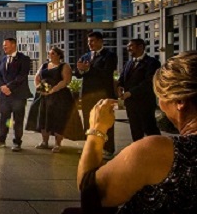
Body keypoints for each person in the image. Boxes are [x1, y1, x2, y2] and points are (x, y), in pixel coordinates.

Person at [72, 51, 197, 213]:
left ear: (179, 101)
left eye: (161, 95)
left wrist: (96, 130)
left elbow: (90, 194)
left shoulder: (157, 152)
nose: (160, 102)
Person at [31, 47, 84, 153]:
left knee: (58, 119)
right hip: (44, 95)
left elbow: (66, 80)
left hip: (60, 96)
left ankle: (57, 143)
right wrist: (39, 88)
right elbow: (37, 77)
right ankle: (44, 142)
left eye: (53, 53)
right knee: (43, 118)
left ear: (59, 55)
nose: (50, 55)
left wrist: (53, 90)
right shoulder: (44, 65)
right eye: (49, 53)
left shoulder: (64, 66)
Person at [75, 31, 118, 160]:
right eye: (89, 42)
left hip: (103, 95)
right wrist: (81, 70)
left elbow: (106, 74)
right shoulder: (86, 56)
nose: (90, 44)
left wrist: (88, 69)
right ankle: (91, 147)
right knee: (88, 122)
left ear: (100, 41)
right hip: (88, 94)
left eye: (92, 41)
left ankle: (108, 149)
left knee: (106, 122)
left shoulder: (109, 56)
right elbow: (78, 75)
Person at [117, 38, 161, 141]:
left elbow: (148, 83)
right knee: (135, 130)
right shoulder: (128, 63)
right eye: (128, 46)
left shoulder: (152, 63)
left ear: (141, 47)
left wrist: (130, 93)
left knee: (150, 130)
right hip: (131, 104)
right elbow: (122, 78)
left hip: (145, 103)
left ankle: (159, 152)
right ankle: (139, 153)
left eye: (131, 46)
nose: (128, 49)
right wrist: (119, 86)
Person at [0, 38, 32, 151]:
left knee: (18, 120)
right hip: (5, 96)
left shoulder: (24, 59)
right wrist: (2, 87)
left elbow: (21, 76)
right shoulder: (3, 59)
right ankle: (1, 140)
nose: (3, 47)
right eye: (3, 45)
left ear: (14, 45)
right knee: (4, 119)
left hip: (18, 96)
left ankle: (17, 143)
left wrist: (9, 87)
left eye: (6, 45)